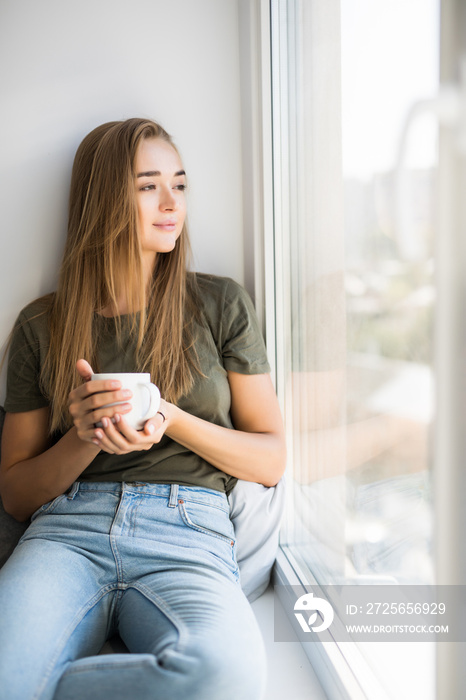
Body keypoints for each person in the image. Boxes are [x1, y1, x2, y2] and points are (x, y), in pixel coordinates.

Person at [0, 118, 286, 700]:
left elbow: (270, 459)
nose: (171, 203)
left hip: (188, 529)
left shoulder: (220, 303)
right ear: (105, 200)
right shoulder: (40, 324)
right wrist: (86, 435)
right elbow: (15, 494)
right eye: (148, 185)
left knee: (227, 677)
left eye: (179, 185)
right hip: (66, 531)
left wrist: (170, 417)